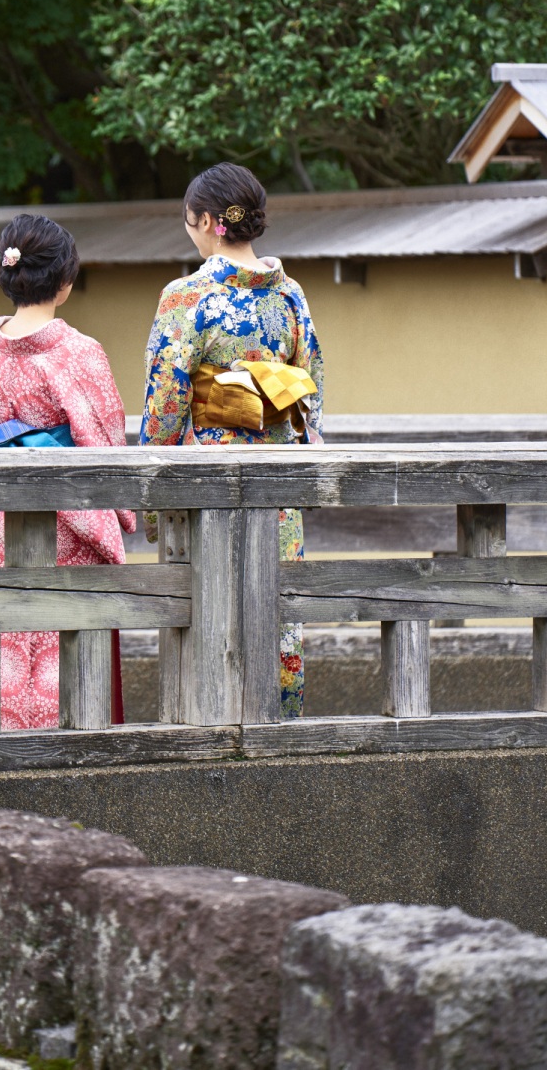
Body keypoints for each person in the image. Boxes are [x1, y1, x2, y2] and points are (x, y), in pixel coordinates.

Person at [140, 162, 323, 717]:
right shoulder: (291, 295)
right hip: (279, 478)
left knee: (212, 605)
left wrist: (153, 496)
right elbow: (309, 393)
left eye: (189, 220)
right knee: (274, 604)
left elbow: (166, 400)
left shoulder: (186, 296)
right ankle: (279, 723)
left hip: (211, 474)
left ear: (206, 221)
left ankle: (209, 725)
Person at [0, 212, 136, 731]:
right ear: (64, 282)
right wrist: (123, 513)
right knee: (73, 637)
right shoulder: (81, 355)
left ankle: (12, 747)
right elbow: (108, 445)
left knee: (16, 637)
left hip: (8, 525)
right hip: (73, 528)